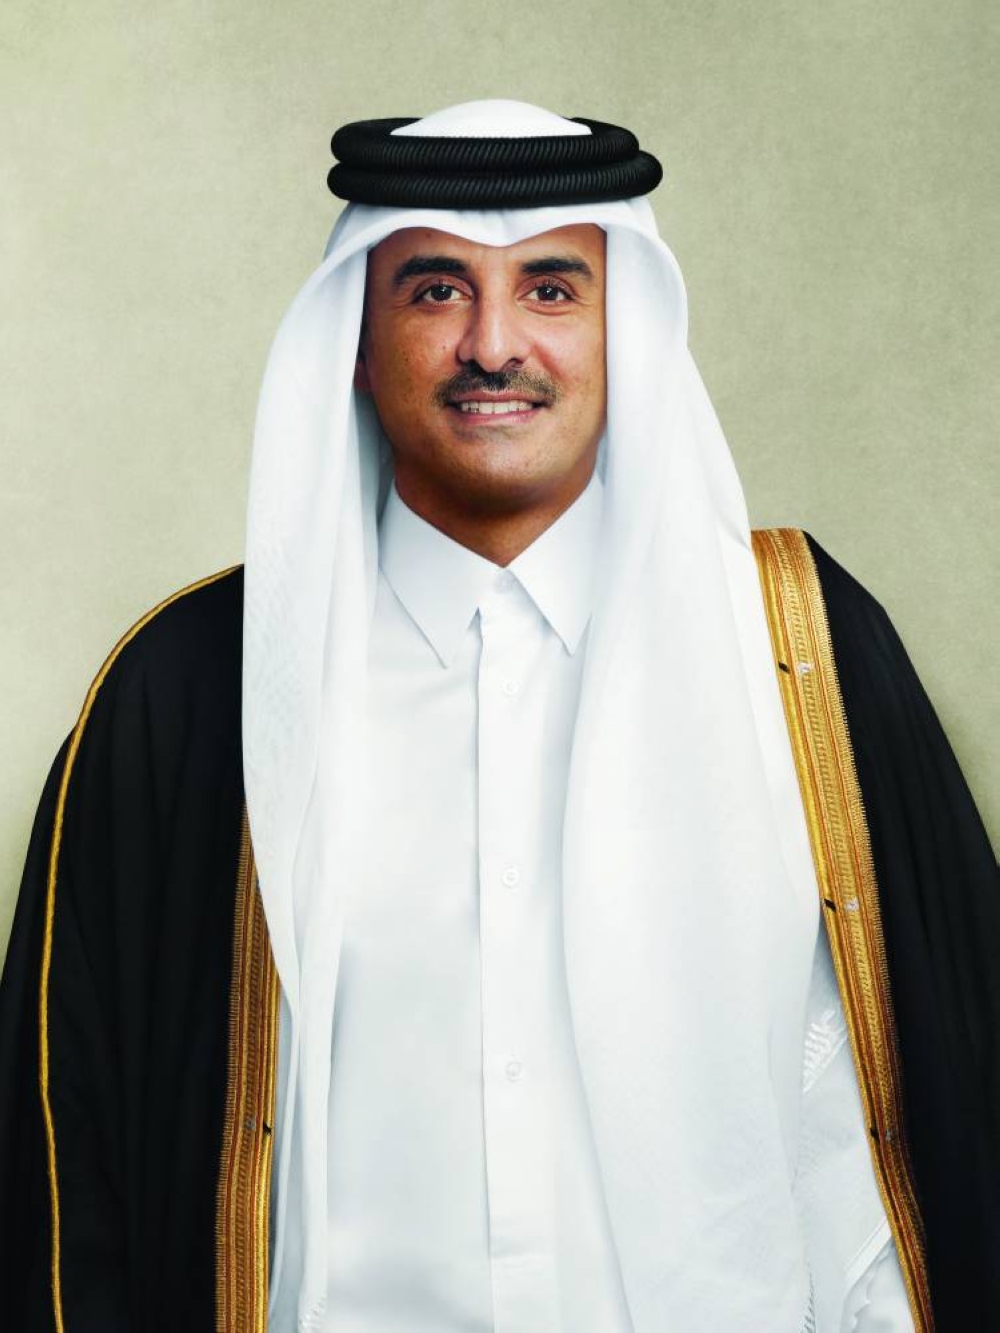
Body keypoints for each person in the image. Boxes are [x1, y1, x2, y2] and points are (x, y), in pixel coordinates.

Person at [0, 99, 996, 1333]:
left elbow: (958, 1093)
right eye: (434, 290)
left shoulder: (801, 650)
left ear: (629, 333)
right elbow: (66, 1171)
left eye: (550, 289)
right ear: (353, 341)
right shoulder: (192, 685)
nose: (492, 344)